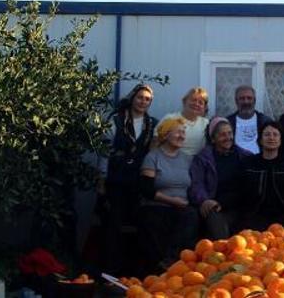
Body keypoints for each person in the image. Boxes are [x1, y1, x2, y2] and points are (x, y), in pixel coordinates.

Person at [100, 83, 158, 275]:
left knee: (140, 226)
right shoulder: (115, 121)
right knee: (113, 225)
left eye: (148, 99)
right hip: (116, 180)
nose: (143, 102)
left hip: (138, 182)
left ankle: (135, 273)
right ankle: (110, 271)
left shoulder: (153, 125)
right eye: (140, 97)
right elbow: (104, 153)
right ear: (133, 98)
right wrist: (101, 181)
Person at [138, 117, 198, 274]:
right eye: (178, 132)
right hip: (157, 204)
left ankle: (171, 263)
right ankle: (157, 270)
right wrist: (172, 201)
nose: (182, 136)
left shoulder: (187, 159)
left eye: (184, 132)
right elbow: (146, 189)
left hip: (182, 207)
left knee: (191, 216)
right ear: (165, 135)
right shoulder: (153, 157)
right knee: (154, 219)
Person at [189, 117, 250, 240]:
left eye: (230, 133)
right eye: (222, 135)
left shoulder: (245, 156)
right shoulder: (202, 159)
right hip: (215, 206)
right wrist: (205, 200)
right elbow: (196, 184)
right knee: (220, 236)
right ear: (213, 138)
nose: (228, 138)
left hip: (240, 204)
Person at [240, 121, 284, 231]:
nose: (271, 138)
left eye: (275, 134)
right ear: (260, 140)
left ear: (280, 140)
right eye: (267, 134)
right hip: (255, 216)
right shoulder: (248, 163)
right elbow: (241, 192)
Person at [157, 87, 210, 156]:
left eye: (200, 103)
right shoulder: (170, 118)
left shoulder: (207, 123)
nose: (196, 104)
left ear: (204, 107)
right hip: (171, 160)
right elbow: (156, 142)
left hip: (197, 163)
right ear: (184, 101)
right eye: (193, 100)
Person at [226, 85, 273, 154]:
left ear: (254, 100)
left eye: (249, 98)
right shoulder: (227, 122)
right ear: (236, 101)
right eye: (242, 98)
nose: (246, 102)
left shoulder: (266, 121)